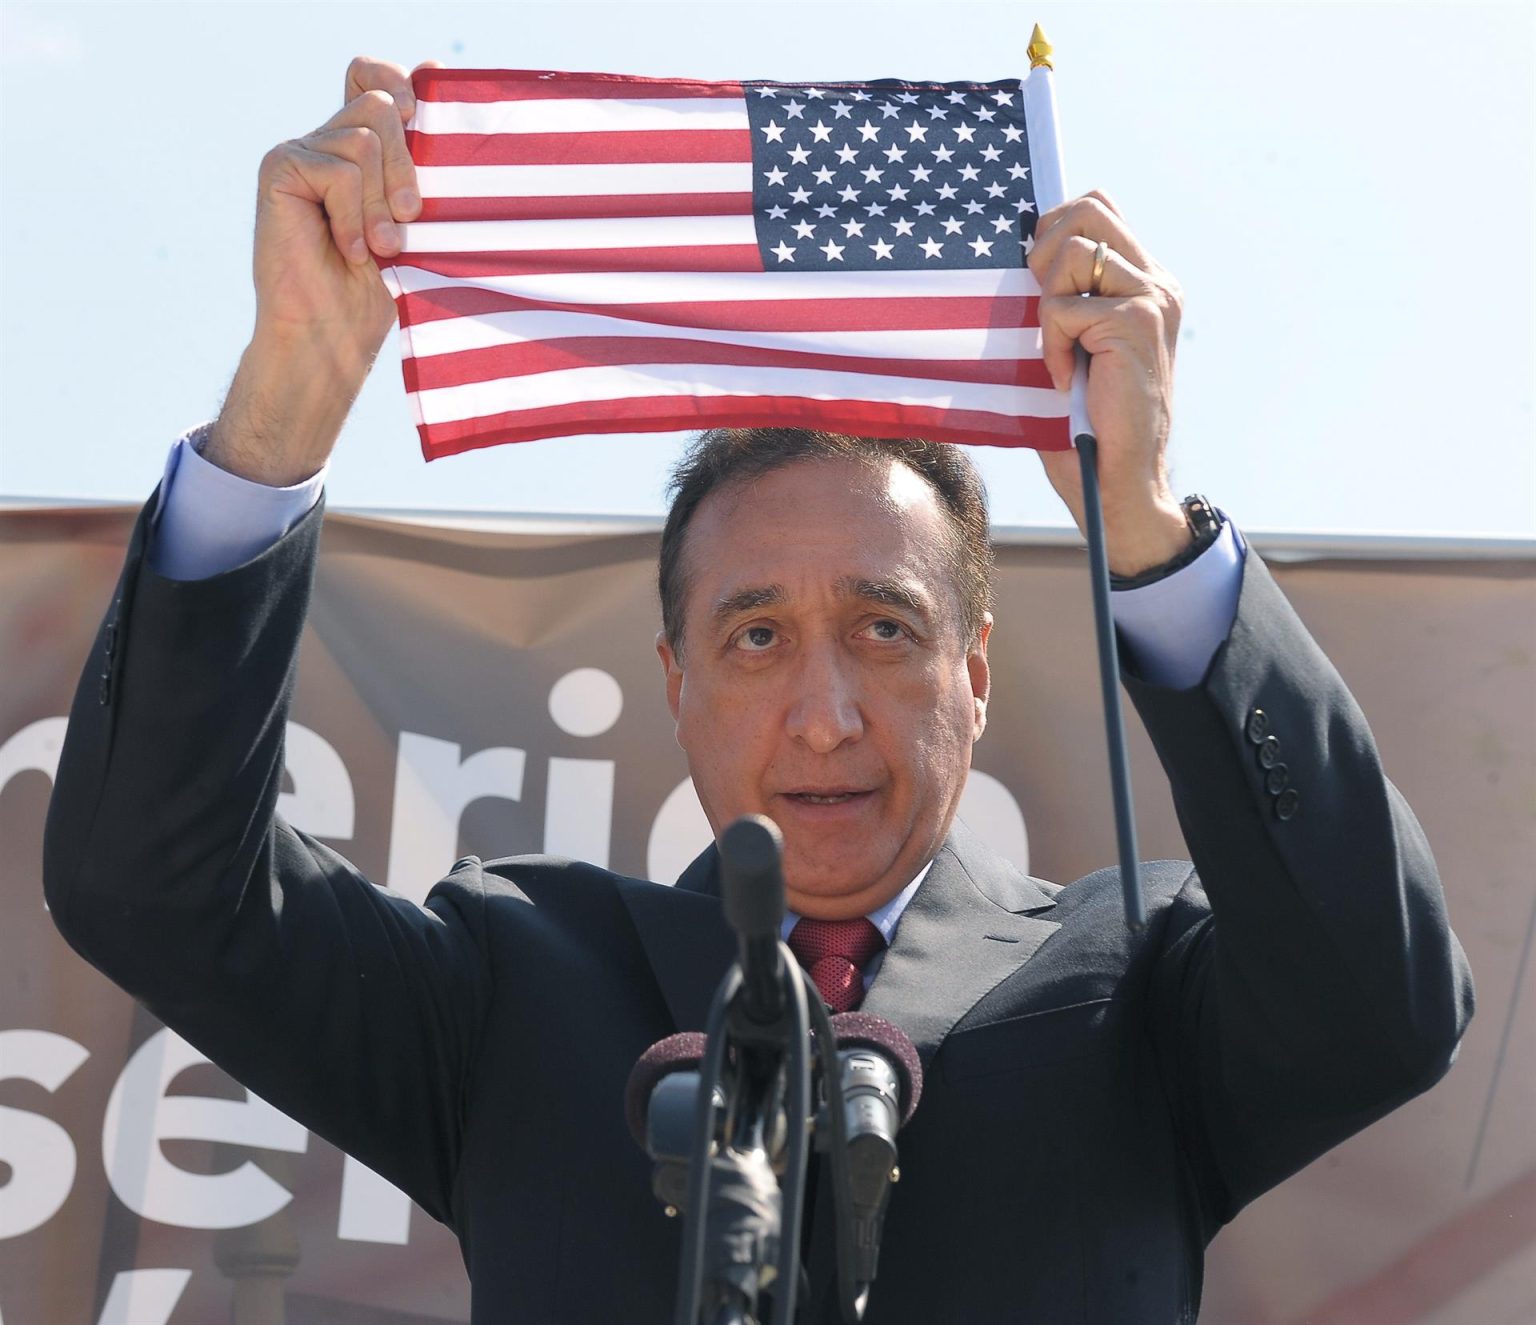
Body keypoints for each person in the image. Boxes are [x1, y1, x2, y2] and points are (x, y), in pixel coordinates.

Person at [43, 57, 1472, 1324]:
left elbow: (1382, 996)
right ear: (673, 681)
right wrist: (283, 402)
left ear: (976, 670)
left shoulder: (1141, 981)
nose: (828, 712)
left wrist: (1147, 524)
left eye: (886, 629)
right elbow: (151, 885)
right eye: (756, 638)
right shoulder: (515, 981)